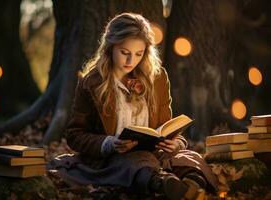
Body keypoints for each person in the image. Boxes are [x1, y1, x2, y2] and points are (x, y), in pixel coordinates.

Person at [49, 13, 218, 200]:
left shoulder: (158, 78)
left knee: (189, 158)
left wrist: (176, 143)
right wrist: (109, 144)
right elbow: (75, 135)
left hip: (155, 153)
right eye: (124, 53)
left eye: (139, 54)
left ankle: (191, 185)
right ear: (110, 47)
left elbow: (166, 127)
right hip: (116, 158)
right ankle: (162, 183)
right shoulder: (92, 83)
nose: (131, 61)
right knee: (135, 164)